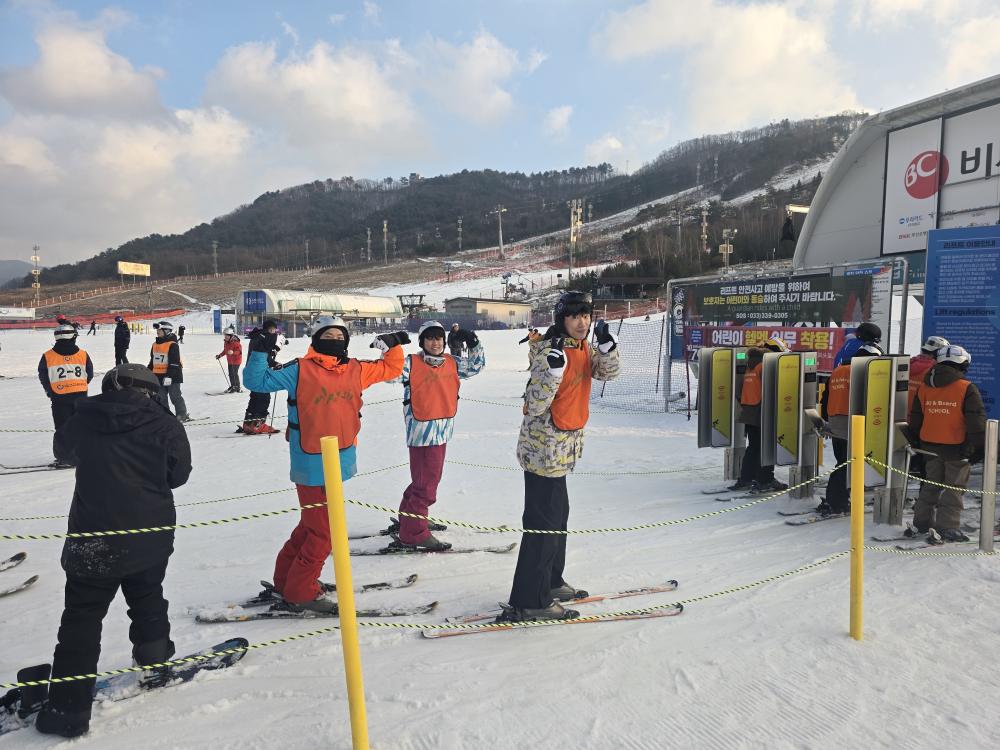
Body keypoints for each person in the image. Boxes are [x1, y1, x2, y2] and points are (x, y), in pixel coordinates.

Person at [31, 364, 191, 738]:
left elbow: (63, 450)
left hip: (92, 537)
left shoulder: (84, 416)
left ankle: (67, 707)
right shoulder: (165, 424)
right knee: (148, 598)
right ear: (151, 390)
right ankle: (154, 665)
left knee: (81, 617)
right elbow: (178, 476)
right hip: (148, 533)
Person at [242, 316, 407, 612]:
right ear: (316, 339)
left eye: (338, 335)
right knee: (324, 533)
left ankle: (286, 581)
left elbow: (390, 369)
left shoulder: (355, 369)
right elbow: (256, 381)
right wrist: (259, 350)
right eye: (327, 335)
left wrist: (393, 346)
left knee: (311, 527)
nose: (334, 340)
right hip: (309, 463)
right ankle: (300, 591)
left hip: (341, 460)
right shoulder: (299, 369)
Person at [499, 291, 620, 623]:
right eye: (575, 316)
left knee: (559, 517)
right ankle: (530, 598)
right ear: (561, 319)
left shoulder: (581, 347)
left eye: (586, 316)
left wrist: (608, 348)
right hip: (543, 452)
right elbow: (535, 404)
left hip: (562, 450)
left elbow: (606, 373)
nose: (582, 322)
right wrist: (552, 374)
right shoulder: (551, 352)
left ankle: (550, 581)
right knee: (542, 525)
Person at [389, 321, 486, 551]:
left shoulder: (451, 362)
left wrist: (473, 343)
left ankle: (410, 519)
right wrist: (391, 348)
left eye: (439, 338)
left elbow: (475, 366)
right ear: (422, 342)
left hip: (442, 430)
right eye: (430, 338)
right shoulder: (411, 363)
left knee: (422, 481)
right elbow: (390, 374)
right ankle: (413, 533)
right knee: (426, 484)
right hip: (422, 433)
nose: (436, 343)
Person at [908, 345, 986, 543]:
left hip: (929, 445)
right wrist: (981, 447)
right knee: (954, 488)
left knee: (930, 485)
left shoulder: (924, 387)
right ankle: (948, 526)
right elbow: (975, 421)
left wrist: (916, 441)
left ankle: (921, 522)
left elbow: (916, 417)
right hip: (956, 447)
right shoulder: (966, 387)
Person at [819, 343, 882, 516]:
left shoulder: (838, 370)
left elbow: (825, 397)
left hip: (835, 421)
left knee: (842, 461)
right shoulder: (861, 372)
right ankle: (836, 502)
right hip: (852, 422)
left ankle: (837, 498)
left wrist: (827, 419)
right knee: (846, 464)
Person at [731, 335, 790, 493]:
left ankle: (746, 478)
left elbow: (739, 391)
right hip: (762, 412)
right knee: (766, 446)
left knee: (754, 447)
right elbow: (773, 390)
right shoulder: (766, 366)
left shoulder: (752, 365)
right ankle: (765, 480)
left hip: (749, 412)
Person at [37, 324, 94, 467]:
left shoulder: (47, 356)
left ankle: (65, 458)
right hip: (80, 396)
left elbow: (43, 376)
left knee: (62, 428)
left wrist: (50, 391)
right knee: (80, 426)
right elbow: (90, 374)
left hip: (59, 397)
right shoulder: (83, 354)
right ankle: (82, 454)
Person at [240, 318, 283, 435]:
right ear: (266, 329)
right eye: (271, 329)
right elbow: (262, 356)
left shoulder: (258, 337)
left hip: (254, 372)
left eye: (274, 330)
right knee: (263, 398)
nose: (273, 332)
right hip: (258, 373)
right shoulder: (262, 338)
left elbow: (264, 357)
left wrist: (273, 360)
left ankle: (248, 424)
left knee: (255, 398)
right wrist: (272, 356)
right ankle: (258, 425)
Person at [148, 320, 191, 422]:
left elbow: (174, 362)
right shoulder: (154, 344)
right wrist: (148, 372)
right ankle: (166, 416)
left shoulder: (172, 344)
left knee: (175, 396)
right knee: (161, 398)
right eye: (157, 330)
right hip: (158, 375)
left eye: (160, 330)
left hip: (173, 375)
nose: (157, 332)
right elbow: (152, 361)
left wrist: (169, 376)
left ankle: (182, 414)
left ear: (167, 331)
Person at [215, 326, 243, 393]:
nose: (225, 337)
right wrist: (220, 355)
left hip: (236, 361)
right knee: (231, 374)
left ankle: (237, 387)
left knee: (234, 373)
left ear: (231, 336)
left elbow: (239, 352)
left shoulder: (236, 342)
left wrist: (233, 352)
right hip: (230, 361)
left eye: (227, 336)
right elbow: (225, 351)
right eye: (225, 336)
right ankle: (233, 385)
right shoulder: (226, 342)